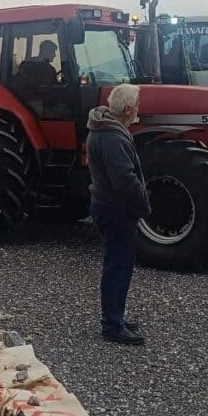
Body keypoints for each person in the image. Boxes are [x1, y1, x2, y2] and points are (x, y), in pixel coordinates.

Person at [86, 83, 150, 345]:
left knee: (118, 264)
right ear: (127, 109)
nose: (139, 109)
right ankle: (112, 324)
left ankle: (117, 315)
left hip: (109, 206)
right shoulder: (112, 137)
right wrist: (144, 203)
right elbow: (123, 179)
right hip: (115, 209)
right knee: (118, 266)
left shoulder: (105, 128)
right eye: (137, 105)